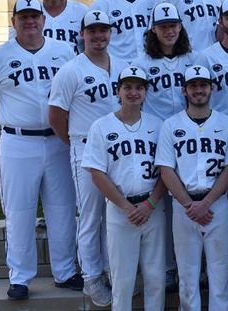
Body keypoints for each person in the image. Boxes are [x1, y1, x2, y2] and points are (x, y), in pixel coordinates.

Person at [0, 0, 80, 300]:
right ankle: (20, 277)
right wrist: (10, 120)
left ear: (44, 19)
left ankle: (65, 271)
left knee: (62, 208)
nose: (30, 21)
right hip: (18, 142)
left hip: (58, 139)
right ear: (14, 22)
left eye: (34, 16)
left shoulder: (64, 52)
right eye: (23, 17)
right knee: (19, 210)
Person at [49, 9, 129, 307]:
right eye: (92, 30)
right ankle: (91, 276)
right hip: (85, 147)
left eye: (103, 30)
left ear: (110, 32)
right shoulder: (71, 70)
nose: (98, 35)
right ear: (82, 34)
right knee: (91, 215)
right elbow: (56, 115)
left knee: (113, 214)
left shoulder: (122, 66)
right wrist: (73, 141)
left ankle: (111, 270)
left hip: (118, 149)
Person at [155, 65, 228, 310]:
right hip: (184, 206)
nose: (199, 90)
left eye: (203, 85)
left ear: (211, 88)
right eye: (193, 86)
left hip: (216, 204)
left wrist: (206, 203)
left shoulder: (226, 124)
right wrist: (190, 204)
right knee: (188, 273)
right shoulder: (171, 125)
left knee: (220, 271)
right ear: (185, 90)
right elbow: (166, 169)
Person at [83, 66, 166, 311]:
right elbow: (97, 173)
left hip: (153, 207)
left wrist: (150, 204)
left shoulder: (158, 125)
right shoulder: (101, 126)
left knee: (156, 278)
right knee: (122, 280)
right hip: (121, 210)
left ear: (145, 92)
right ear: (117, 91)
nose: (133, 92)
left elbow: (167, 171)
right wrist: (127, 207)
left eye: (139, 87)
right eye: (127, 87)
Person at [134, 2, 197, 291]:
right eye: (163, 26)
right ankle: (169, 267)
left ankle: (198, 268)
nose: (169, 30)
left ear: (180, 27)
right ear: (153, 30)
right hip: (157, 137)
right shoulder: (142, 63)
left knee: (191, 196)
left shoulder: (193, 59)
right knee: (165, 204)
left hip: (190, 137)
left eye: (173, 25)